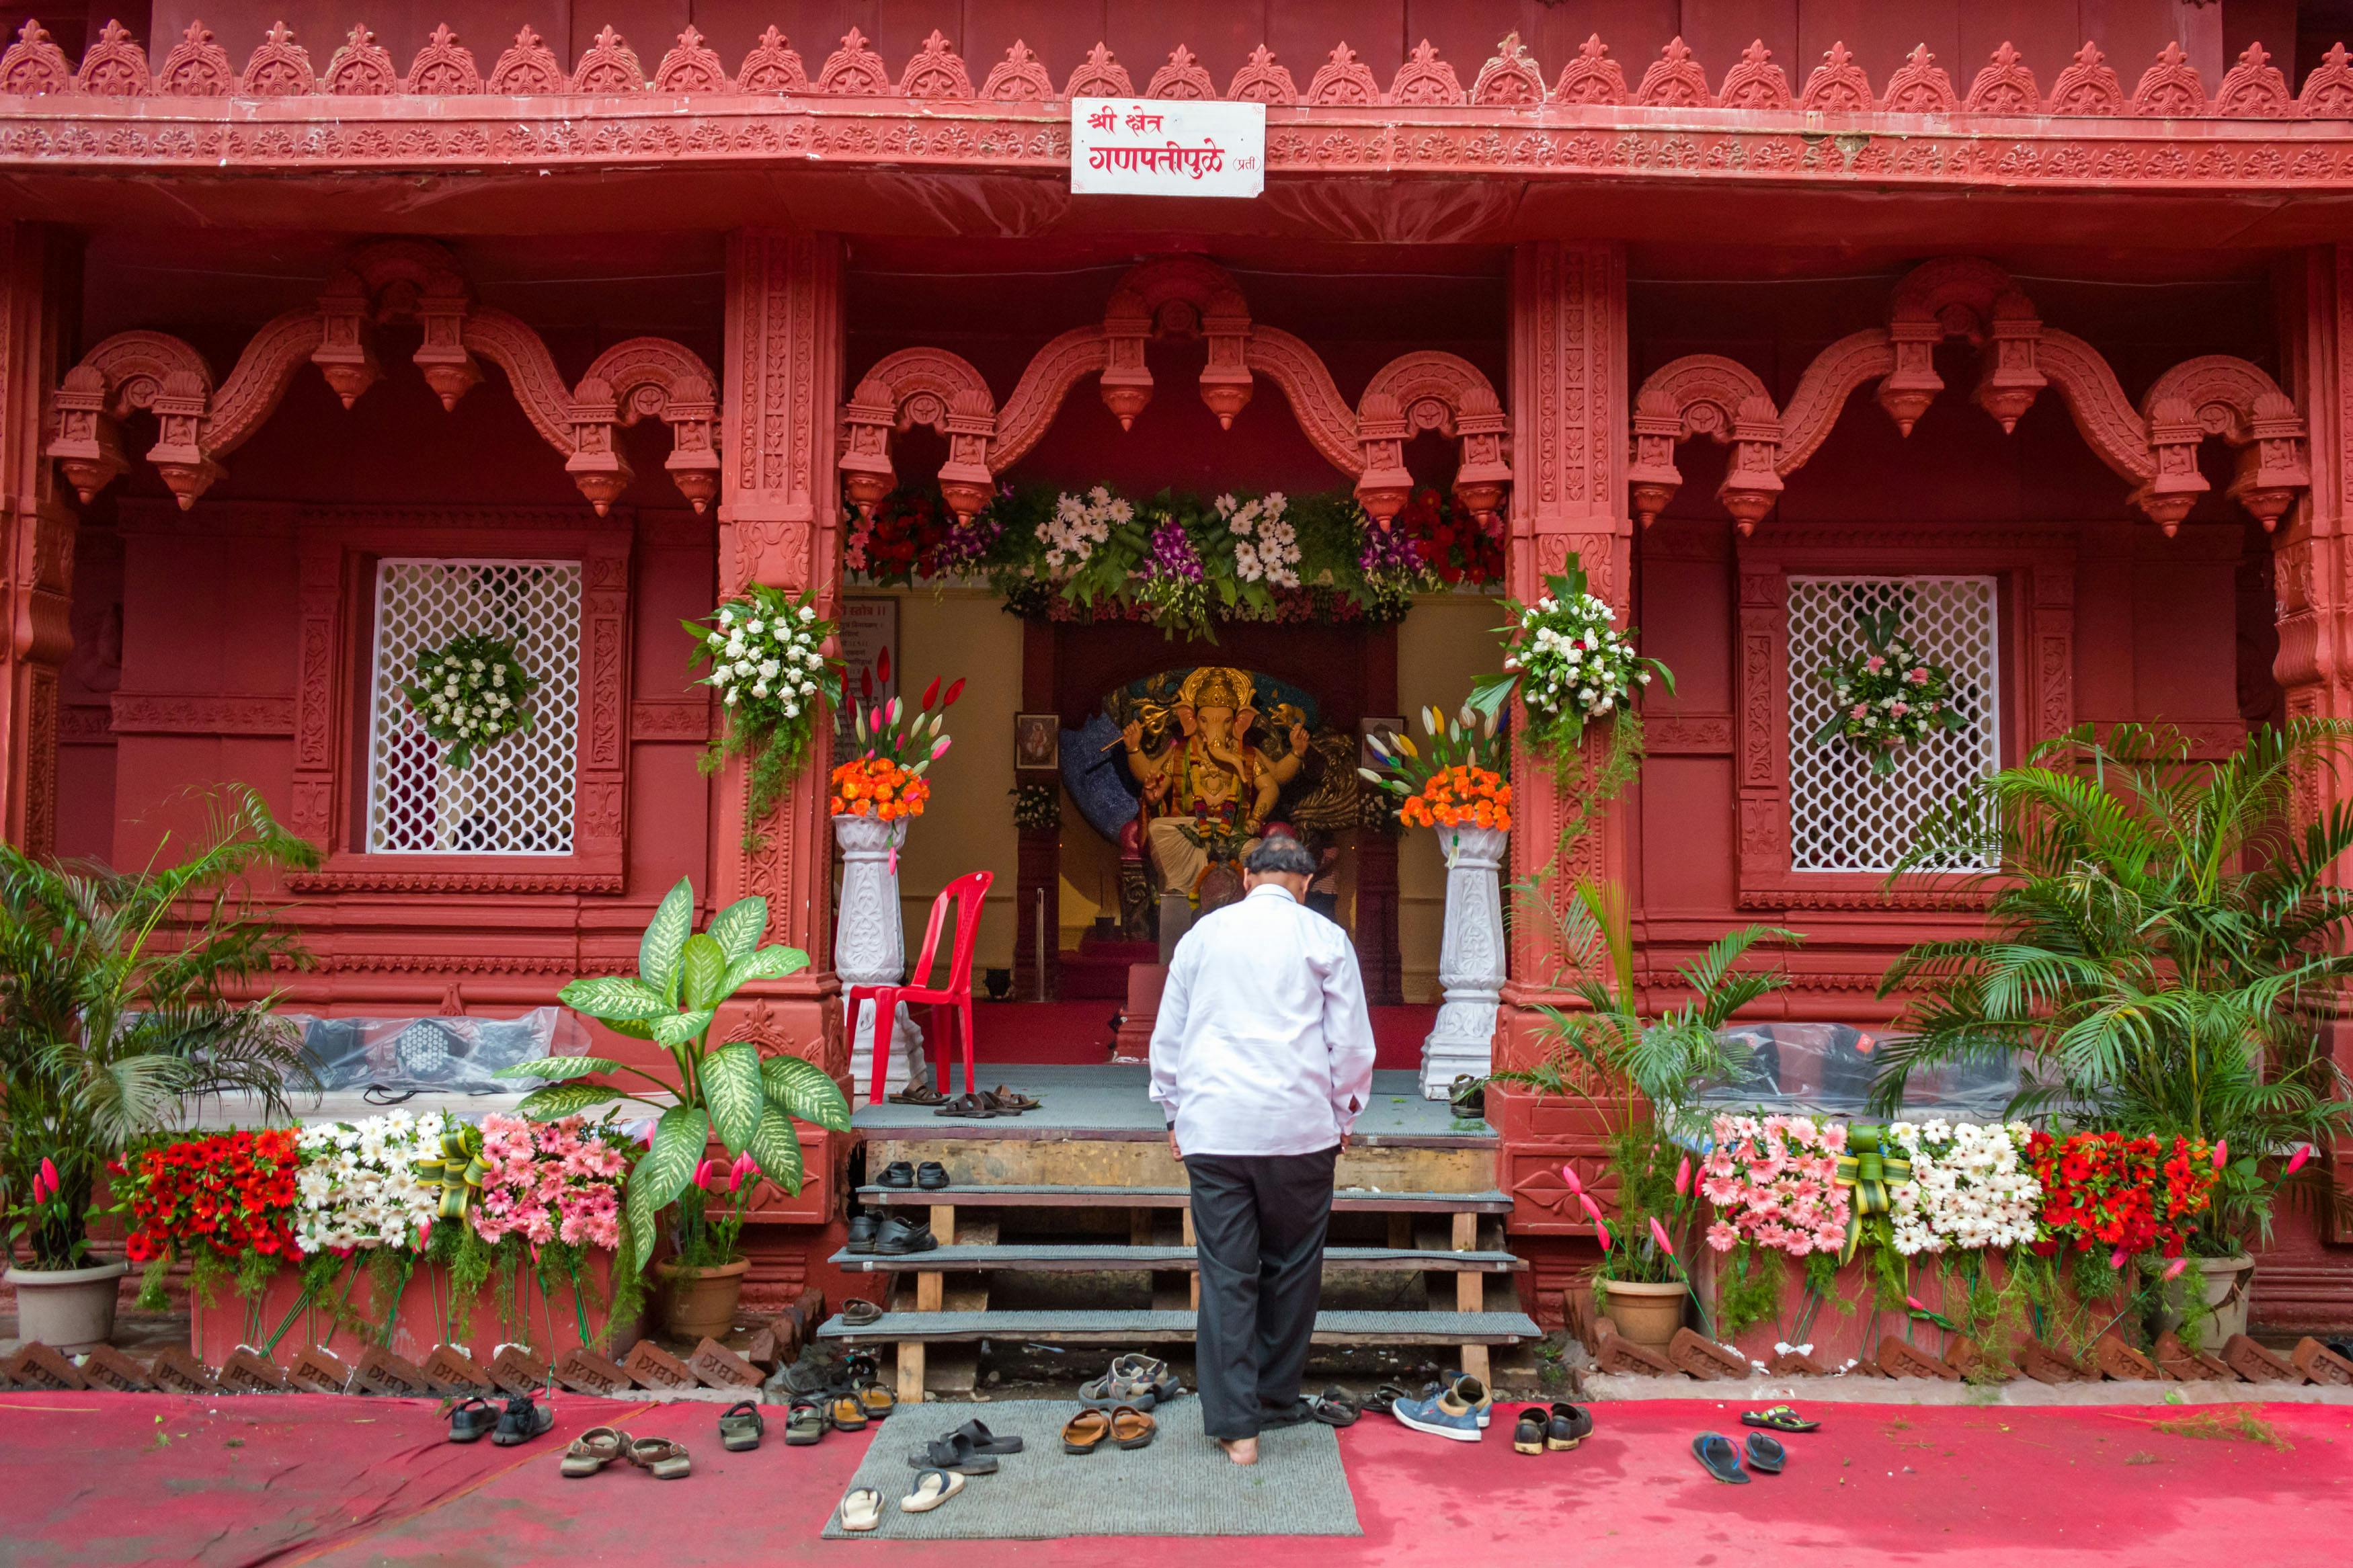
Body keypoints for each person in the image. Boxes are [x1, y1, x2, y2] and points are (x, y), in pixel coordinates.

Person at [1148, 835, 1378, 1466]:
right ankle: (1275, 1397)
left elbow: (1169, 1035)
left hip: (1216, 1127)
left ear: (1247, 877)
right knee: (1294, 1265)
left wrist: (1171, 1109)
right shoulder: (1324, 938)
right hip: (1299, 1128)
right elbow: (1352, 1044)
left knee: (1227, 1273)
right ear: (1304, 884)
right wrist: (1345, 1111)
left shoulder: (1201, 937)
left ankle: (1236, 1426)